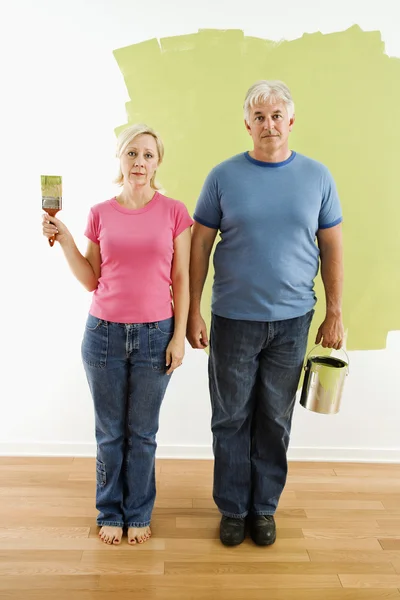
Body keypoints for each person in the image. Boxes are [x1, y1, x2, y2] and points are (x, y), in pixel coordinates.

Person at [187, 80, 344, 547]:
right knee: (230, 417)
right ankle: (233, 508)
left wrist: (335, 310)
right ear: (247, 124)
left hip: (294, 321)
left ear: (291, 122)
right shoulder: (222, 176)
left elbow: (332, 244)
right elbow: (199, 244)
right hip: (233, 318)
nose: (269, 124)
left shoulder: (318, 177)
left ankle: (263, 508)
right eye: (259, 117)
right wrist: (192, 310)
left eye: (277, 116)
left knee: (275, 419)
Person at [42, 124, 193, 545]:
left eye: (147, 155)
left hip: (155, 335)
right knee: (109, 432)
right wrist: (67, 239)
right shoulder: (99, 213)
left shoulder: (175, 212)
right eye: (132, 154)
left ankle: (138, 511)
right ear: (120, 160)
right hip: (103, 334)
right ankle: (110, 511)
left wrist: (178, 336)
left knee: (142, 433)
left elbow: (181, 278)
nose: (139, 163)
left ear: (157, 161)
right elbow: (92, 279)